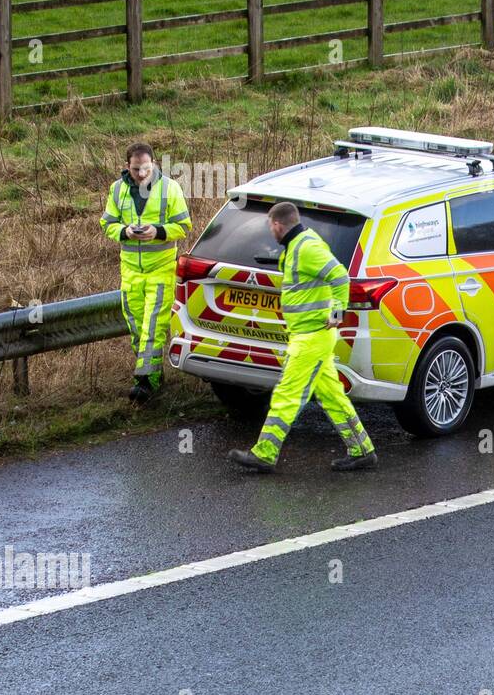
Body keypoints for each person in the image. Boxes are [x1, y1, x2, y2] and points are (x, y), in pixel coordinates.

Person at [227, 202, 378, 473]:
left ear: (277, 224)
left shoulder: (306, 248)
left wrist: (338, 311)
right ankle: (362, 450)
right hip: (310, 336)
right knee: (332, 397)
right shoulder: (298, 246)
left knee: (287, 394)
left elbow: (340, 277)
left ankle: (265, 453)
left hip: (311, 338)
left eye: (269, 226)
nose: (270, 231)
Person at [100, 143, 191, 403]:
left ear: (154, 164)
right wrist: (124, 231)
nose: (142, 174)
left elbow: (184, 225)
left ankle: (145, 381)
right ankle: (153, 372)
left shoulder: (170, 188)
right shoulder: (117, 190)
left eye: (147, 168)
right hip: (129, 270)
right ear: (128, 166)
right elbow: (107, 223)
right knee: (137, 326)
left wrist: (158, 231)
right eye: (137, 169)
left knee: (153, 326)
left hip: (161, 268)